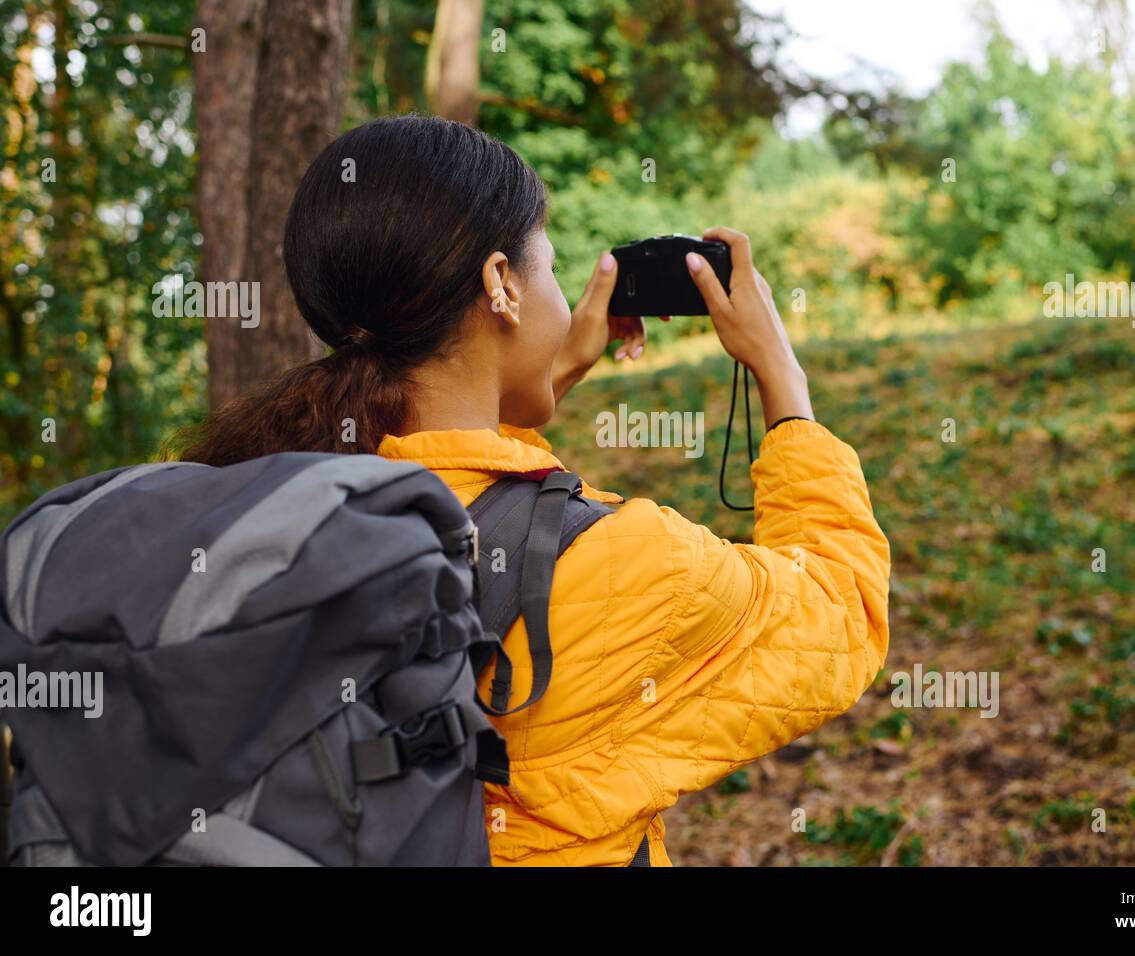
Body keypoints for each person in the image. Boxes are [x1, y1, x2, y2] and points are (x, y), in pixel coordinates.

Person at [179, 114, 891, 866]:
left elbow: (447, 468)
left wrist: (536, 377)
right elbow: (841, 611)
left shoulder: (261, 494)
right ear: (499, 284)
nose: (560, 291)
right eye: (547, 268)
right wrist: (782, 374)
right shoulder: (618, 562)